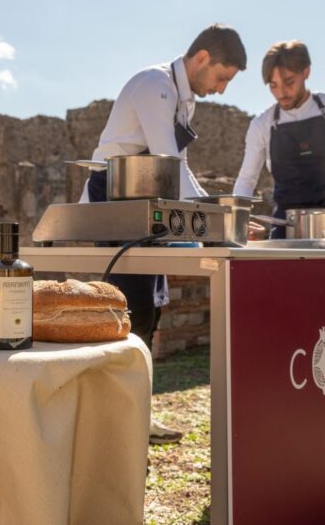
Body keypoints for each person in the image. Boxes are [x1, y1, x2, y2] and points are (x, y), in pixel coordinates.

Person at [79, 23, 247, 444]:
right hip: (115, 199)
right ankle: (111, 423)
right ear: (203, 58)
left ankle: (138, 415)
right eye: (222, 77)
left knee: (150, 310)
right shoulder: (155, 85)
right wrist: (218, 219)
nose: (222, 89)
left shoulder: (181, 101)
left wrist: (218, 211)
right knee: (123, 311)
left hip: (146, 202)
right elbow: (168, 166)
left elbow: (179, 171)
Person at [233, 40, 325, 238]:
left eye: (289, 82)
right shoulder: (262, 125)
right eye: (273, 85)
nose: (281, 93)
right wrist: (237, 222)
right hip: (286, 222)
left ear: (306, 72)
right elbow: (247, 179)